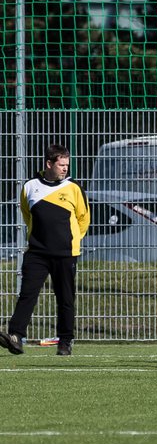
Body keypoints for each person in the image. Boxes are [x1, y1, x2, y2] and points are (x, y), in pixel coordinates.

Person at [0, 144, 89, 357]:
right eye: (61, 165)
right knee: (27, 294)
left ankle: (65, 341)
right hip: (37, 253)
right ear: (49, 164)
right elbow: (27, 214)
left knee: (65, 298)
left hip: (66, 253)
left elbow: (83, 218)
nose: (65, 169)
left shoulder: (73, 188)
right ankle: (15, 336)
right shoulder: (30, 187)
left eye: (67, 165)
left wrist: (72, 240)